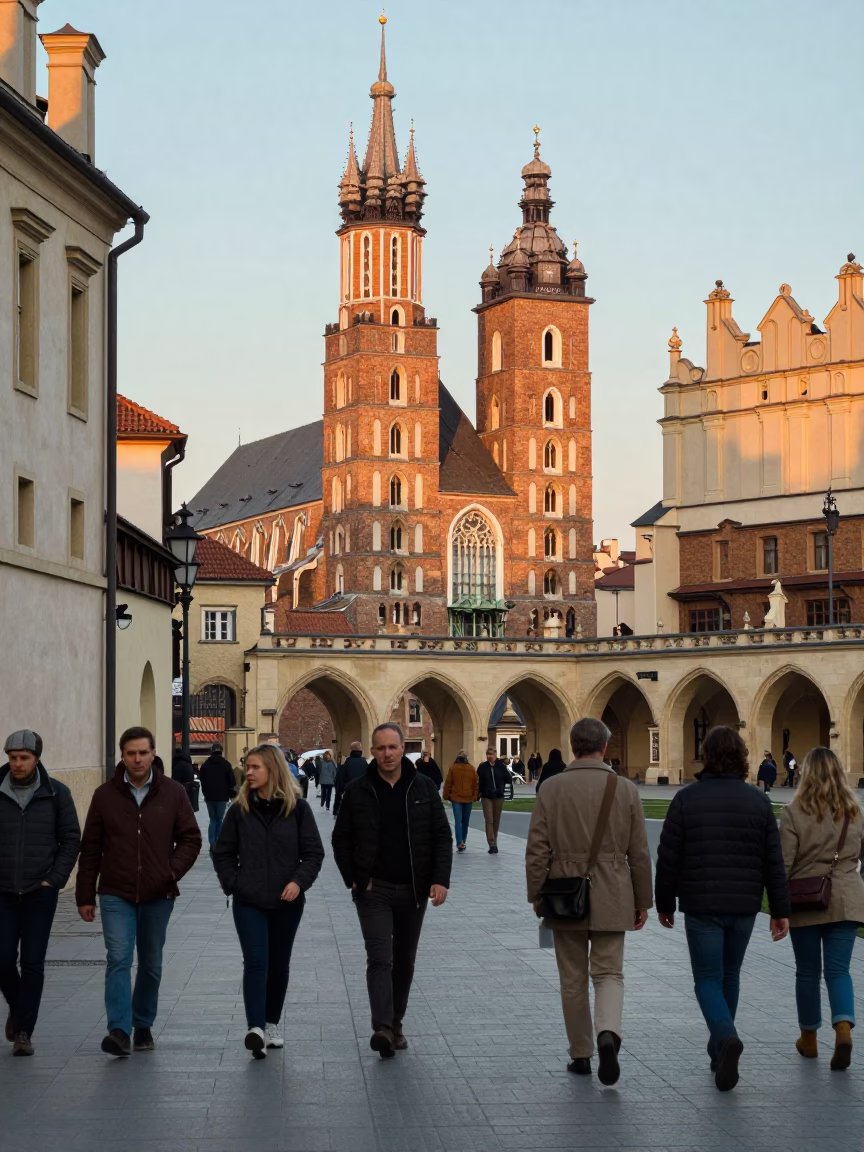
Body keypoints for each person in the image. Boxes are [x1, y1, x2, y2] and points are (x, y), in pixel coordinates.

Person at [654, 725, 790, 1092]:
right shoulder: (758, 802)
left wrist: (664, 902)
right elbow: (773, 863)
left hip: (701, 903)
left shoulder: (686, 799)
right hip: (745, 904)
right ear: (743, 757)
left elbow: (668, 857)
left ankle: (725, 1036)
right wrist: (780, 909)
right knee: (730, 975)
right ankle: (720, 1048)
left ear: (707, 755)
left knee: (707, 979)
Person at [526, 717, 652, 1086]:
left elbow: (537, 850)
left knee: (573, 978)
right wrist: (642, 899)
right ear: (605, 747)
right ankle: (608, 1033)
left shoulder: (551, 788)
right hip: (614, 889)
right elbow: (639, 852)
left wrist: (537, 893)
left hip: (565, 893)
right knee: (610, 972)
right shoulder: (624, 789)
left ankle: (581, 1054)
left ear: (572, 746)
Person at [76, 726, 201, 1057]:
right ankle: (118, 1029)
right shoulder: (105, 796)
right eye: (131, 753)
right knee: (118, 958)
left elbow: (191, 839)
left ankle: (142, 1022)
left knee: (150, 962)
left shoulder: (173, 793)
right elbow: (90, 848)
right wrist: (85, 895)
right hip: (115, 891)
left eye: (143, 752)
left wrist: (170, 871)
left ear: (153, 754)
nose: (137, 759)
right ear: (122, 756)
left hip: (159, 893)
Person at [332, 724, 451, 1058]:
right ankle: (382, 1027)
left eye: (392, 747)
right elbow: (341, 838)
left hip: (413, 890)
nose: (387, 754)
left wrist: (440, 879)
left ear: (402, 750)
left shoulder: (423, 787)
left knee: (404, 961)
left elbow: (441, 836)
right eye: (380, 748)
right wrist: (353, 878)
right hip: (374, 889)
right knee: (380, 957)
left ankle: (396, 1023)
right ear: (373, 751)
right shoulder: (358, 790)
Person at [213, 744, 324, 1058]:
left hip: (287, 901)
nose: (248, 772)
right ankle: (255, 1028)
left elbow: (314, 853)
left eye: (255, 767)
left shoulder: (298, 809)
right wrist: (234, 884)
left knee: (279, 965)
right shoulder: (239, 810)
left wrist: (298, 882)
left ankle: (271, 1023)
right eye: (247, 767)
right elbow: (222, 854)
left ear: (272, 770)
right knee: (256, 961)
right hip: (249, 900)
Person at [779, 746, 864, 1069]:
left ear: (806, 773)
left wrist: (779, 906)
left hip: (806, 899)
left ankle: (809, 1038)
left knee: (807, 972)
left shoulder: (794, 812)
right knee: (839, 971)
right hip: (847, 898)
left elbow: (783, 863)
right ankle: (843, 1028)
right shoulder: (854, 811)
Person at [0, 730, 81, 1057]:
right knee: (3, 959)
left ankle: (23, 1031)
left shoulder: (56, 793)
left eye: (24, 758)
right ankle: (19, 1009)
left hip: (39, 892)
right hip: (2, 892)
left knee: (32, 963)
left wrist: (54, 880)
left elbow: (71, 839)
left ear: (36, 759)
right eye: (12, 757)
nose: (17, 764)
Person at [199, 742, 237, 849]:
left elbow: (202, 779)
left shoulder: (206, 765)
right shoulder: (226, 764)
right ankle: (218, 841)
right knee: (220, 819)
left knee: (212, 819)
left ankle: (212, 842)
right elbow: (232, 781)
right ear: (221, 751)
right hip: (222, 796)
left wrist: (205, 791)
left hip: (209, 797)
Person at [442, 750, 479, 851]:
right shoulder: (471, 769)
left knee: (458, 821)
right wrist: (475, 795)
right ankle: (463, 840)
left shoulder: (453, 768)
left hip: (456, 798)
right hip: (468, 798)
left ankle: (459, 842)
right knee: (465, 821)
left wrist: (446, 795)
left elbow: (448, 783)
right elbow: (475, 784)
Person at [477, 748, 510, 855]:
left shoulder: (501, 766)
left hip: (498, 796)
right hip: (486, 796)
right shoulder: (482, 767)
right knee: (489, 820)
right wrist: (480, 792)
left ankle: (494, 841)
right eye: (487, 754)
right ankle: (491, 843)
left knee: (496, 820)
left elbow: (508, 779)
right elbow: (478, 781)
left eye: (491, 754)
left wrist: (501, 788)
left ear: (495, 755)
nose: (489, 756)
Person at [333, 742, 368, 815]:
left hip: (349, 796)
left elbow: (339, 783)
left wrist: (336, 807)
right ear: (360, 749)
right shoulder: (365, 763)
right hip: (363, 797)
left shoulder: (346, 763)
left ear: (351, 750)